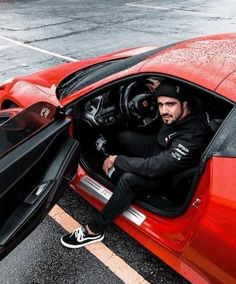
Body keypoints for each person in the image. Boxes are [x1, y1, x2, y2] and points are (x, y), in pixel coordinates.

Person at [61, 80, 211, 248]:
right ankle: (109, 171)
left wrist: (117, 160)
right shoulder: (189, 106)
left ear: (184, 104)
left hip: (170, 175)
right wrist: (160, 89)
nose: (163, 111)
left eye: (170, 104)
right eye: (160, 104)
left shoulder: (193, 137)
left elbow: (154, 167)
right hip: (161, 146)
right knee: (123, 136)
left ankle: (94, 230)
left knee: (128, 179)